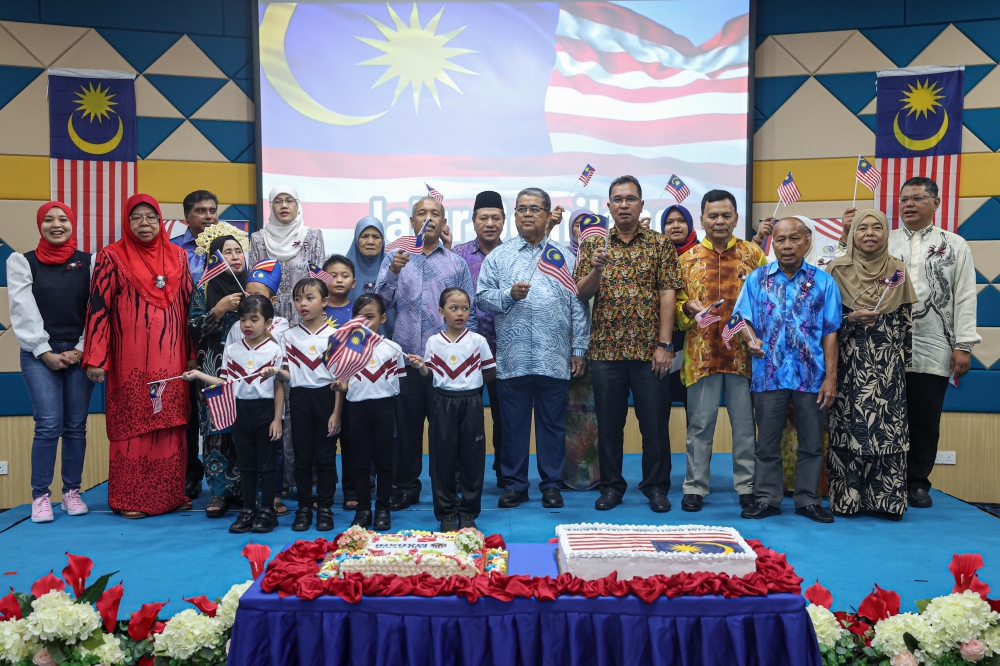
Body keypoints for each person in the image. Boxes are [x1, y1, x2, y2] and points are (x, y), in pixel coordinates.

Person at [574, 175, 683, 513]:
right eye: (618, 199)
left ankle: (655, 487)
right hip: (605, 352)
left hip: (650, 352)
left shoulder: (659, 244)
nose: (624, 204)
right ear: (608, 206)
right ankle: (611, 487)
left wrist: (665, 344)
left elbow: (668, 293)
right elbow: (581, 292)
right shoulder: (594, 246)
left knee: (654, 425)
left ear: (640, 204)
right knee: (609, 425)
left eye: (630, 199)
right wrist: (596, 271)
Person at [477, 187, 589, 510]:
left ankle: (552, 484)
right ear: (514, 216)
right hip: (512, 359)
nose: (527, 214)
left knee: (553, 425)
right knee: (513, 425)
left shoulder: (564, 257)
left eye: (535, 208)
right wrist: (508, 295)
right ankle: (515, 484)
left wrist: (579, 348)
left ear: (548, 214)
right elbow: (482, 298)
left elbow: (578, 305)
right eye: (521, 208)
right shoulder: (499, 257)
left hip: (554, 358)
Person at [84, 194, 193, 519]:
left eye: (150, 217)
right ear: (127, 223)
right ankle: (132, 499)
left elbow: (189, 309)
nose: (144, 224)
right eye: (136, 218)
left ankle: (170, 495)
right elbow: (98, 308)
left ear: (159, 220)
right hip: (129, 360)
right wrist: (95, 358)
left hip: (172, 358)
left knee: (170, 424)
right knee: (134, 427)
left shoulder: (178, 256)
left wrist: (192, 354)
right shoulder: (111, 256)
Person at [734, 217, 842, 523]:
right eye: (780, 239)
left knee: (811, 443)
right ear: (773, 243)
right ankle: (767, 498)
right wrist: (750, 339)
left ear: (807, 242)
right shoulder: (757, 279)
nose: (786, 246)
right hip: (768, 373)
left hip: (812, 375)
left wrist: (831, 377)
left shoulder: (824, 282)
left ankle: (808, 500)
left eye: (794, 239)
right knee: (766, 443)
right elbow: (741, 318)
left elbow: (831, 332)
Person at [375, 196, 477, 510]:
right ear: (412, 221)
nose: (428, 218)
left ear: (444, 223)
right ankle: (406, 487)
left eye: (435, 213)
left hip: (445, 363)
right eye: (422, 213)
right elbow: (379, 304)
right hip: (405, 359)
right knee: (406, 428)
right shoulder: (395, 257)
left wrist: (461, 354)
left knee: (446, 431)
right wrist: (392, 272)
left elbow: (468, 314)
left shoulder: (456, 263)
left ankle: (448, 486)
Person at [885, 177, 979, 509]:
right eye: (903, 199)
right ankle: (888, 482)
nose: (908, 204)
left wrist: (964, 345)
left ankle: (917, 483)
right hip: (885, 347)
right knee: (887, 416)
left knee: (925, 418)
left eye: (917, 198)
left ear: (935, 203)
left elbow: (965, 296)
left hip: (933, 342)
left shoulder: (954, 244)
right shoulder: (884, 241)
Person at [675, 190, 766, 513]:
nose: (719, 221)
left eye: (726, 215)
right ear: (701, 219)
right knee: (699, 426)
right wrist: (688, 306)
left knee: (744, 425)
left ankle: (746, 486)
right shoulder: (685, 260)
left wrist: (758, 338)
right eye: (712, 215)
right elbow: (678, 311)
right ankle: (695, 486)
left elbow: (766, 304)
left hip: (744, 355)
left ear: (736, 219)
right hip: (701, 355)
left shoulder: (754, 256)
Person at [8, 202, 95, 523]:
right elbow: (21, 309)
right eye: (48, 219)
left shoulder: (89, 262)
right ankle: (40, 496)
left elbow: (97, 309)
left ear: (72, 223)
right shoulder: (21, 262)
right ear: (39, 225)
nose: (56, 225)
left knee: (75, 425)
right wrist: (44, 351)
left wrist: (82, 349)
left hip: (80, 352)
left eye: (62, 219)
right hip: (38, 354)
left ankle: (72, 492)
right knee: (47, 424)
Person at [827, 209, 917, 520]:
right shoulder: (836, 270)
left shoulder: (897, 269)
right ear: (852, 234)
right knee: (849, 429)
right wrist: (848, 318)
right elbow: (823, 323)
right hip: (848, 364)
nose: (869, 233)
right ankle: (848, 499)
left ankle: (886, 501)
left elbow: (906, 324)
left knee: (887, 431)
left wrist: (901, 363)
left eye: (876, 228)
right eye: (862, 228)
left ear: (885, 233)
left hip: (888, 367)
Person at [249, 185, 325, 500]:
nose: (283, 206)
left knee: (303, 398)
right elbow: (254, 288)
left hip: (303, 330)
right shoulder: (257, 239)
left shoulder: (313, 236)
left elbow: (320, 282)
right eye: (277, 201)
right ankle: (277, 478)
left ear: (298, 205)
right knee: (275, 398)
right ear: (270, 206)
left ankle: (306, 476)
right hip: (268, 331)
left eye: (289, 200)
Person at [184, 295, 284, 533]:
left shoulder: (274, 350)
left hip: (266, 410)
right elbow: (225, 382)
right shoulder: (232, 350)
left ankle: (267, 510)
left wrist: (277, 419)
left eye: (254, 319)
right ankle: (248, 509)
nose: (247, 325)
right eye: (242, 319)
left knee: (267, 465)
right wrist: (198, 375)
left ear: (268, 323)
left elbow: (280, 387)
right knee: (246, 465)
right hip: (240, 411)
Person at [409, 288, 496, 531]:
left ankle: (468, 513)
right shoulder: (434, 342)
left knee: (472, 458)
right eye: (453, 308)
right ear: (441, 311)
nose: (459, 313)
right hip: (442, 403)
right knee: (442, 459)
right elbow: (430, 377)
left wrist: (467, 380)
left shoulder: (478, 341)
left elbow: (490, 372)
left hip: (471, 403)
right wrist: (421, 368)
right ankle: (446, 512)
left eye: (465, 308)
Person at [186, 224, 249, 517]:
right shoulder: (205, 288)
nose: (235, 257)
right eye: (227, 252)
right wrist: (219, 309)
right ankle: (220, 492)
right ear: (215, 258)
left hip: (249, 370)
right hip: (213, 367)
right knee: (216, 430)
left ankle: (248, 489)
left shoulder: (253, 286)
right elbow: (193, 328)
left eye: (238, 251)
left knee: (247, 428)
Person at [272, 278, 339, 532]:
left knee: (325, 457)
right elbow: (289, 376)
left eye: (309, 298)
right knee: (302, 456)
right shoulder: (288, 337)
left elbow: (338, 379)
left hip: (326, 398)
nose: (303, 304)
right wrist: (275, 372)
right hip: (299, 398)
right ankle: (303, 506)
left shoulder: (335, 336)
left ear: (324, 302)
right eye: (298, 299)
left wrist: (336, 412)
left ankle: (324, 507)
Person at [338, 294, 404, 531]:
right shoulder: (348, 349)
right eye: (359, 317)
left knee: (384, 463)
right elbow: (344, 381)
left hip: (385, 409)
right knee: (360, 462)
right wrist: (340, 386)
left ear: (383, 318)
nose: (365, 322)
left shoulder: (392, 348)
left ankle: (383, 508)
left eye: (370, 317)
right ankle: (363, 509)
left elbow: (398, 384)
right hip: (357, 409)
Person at [452, 191, 505, 487]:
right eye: (483, 217)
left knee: (503, 418)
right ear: (473, 221)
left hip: (504, 350)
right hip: (464, 351)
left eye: (495, 218)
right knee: (464, 418)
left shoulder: (511, 252)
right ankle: (462, 476)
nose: (489, 223)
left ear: (504, 221)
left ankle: (504, 473)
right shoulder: (458, 254)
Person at [172, 190, 220, 499]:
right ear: (187, 216)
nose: (208, 216)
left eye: (212, 210)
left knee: (219, 408)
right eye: (201, 211)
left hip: (220, 339)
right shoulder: (172, 249)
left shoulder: (230, 246)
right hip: (182, 339)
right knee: (187, 410)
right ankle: (190, 473)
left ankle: (225, 476)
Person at [320, 253, 358, 510]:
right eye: (333, 276)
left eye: (345, 276)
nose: (339, 280)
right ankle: (324, 490)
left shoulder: (358, 310)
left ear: (354, 282)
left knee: (353, 442)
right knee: (324, 441)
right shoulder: (316, 310)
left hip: (353, 385)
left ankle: (352, 490)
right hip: (324, 386)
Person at [661, 204, 699, 413]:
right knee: (658, 414)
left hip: (694, 342)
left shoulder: (703, 254)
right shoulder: (655, 256)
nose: (675, 226)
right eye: (669, 222)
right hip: (661, 345)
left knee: (696, 417)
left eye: (681, 220)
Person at [344, 216, 395, 338]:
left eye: (376, 237)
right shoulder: (343, 269)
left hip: (390, 342)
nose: (370, 241)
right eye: (365, 236)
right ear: (356, 239)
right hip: (352, 342)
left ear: (382, 240)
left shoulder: (393, 267)